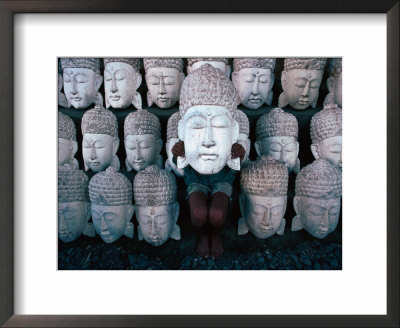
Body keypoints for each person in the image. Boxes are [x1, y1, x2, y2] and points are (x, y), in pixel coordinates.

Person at [172, 64, 245, 259]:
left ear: (234, 131)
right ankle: (203, 234)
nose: (208, 140)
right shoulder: (186, 142)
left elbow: (233, 166)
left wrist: (238, 155)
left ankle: (216, 234)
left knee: (217, 214)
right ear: (182, 130)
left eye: (220, 126)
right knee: (198, 213)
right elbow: (181, 163)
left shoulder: (231, 142)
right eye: (196, 126)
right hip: (195, 180)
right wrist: (178, 153)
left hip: (222, 179)